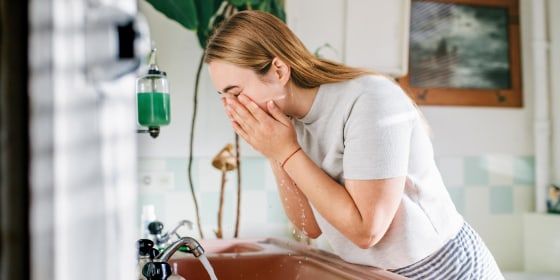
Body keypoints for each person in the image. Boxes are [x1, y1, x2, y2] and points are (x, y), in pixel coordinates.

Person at [204, 10, 504, 279]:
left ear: (279, 71)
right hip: (377, 273)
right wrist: (275, 152)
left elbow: (367, 231)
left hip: (443, 269)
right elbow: (309, 225)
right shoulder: (290, 124)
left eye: (236, 92)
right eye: (224, 97)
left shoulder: (369, 100)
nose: (231, 106)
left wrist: (285, 151)